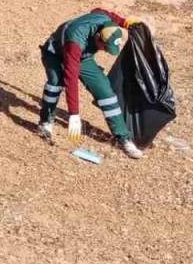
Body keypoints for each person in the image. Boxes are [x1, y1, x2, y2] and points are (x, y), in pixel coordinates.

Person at [37, 8, 146, 159]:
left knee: (106, 92)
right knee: (55, 83)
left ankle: (123, 138)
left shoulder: (106, 23)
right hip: (55, 53)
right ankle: (45, 122)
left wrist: (125, 22)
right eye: (105, 47)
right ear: (97, 38)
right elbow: (71, 79)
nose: (105, 51)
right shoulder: (75, 41)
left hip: (83, 57)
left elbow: (100, 10)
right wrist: (74, 114)